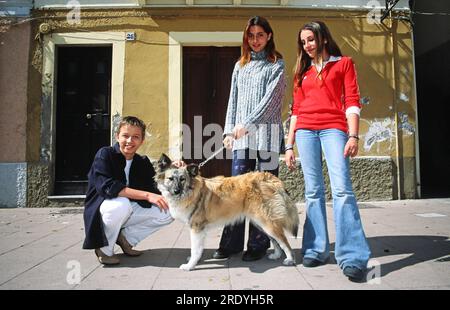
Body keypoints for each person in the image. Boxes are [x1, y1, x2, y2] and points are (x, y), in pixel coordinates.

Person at [284, 21, 371, 281]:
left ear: (322, 38)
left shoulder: (343, 63)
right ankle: (315, 249)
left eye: (311, 39)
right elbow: (296, 111)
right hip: (305, 132)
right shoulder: (302, 71)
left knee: (342, 189)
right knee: (312, 191)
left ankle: (353, 256)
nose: (307, 45)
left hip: (334, 128)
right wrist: (289, 145)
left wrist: (352, 135)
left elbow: (353, 101)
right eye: (303, 42)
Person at [212, 16, 286, 262]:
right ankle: (231, 243)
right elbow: (232, 100)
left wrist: (247, 125)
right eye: (251, 36)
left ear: (269, 36)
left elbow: (272, 101)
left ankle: (258, 244)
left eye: (260, 35)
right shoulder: (239, 65)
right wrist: (228, 131)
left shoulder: (277, 64)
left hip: (268, 137)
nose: (255, 40)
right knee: (236, 192)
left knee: (263, 193)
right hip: (241, 139)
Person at [82, 116, 183, 265]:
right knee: (121, 204)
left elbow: (155, 187)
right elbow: (108, 187)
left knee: (170, 210)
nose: (130, 141)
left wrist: (173, 170)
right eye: (125, 136)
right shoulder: (105, 154)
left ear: (141, 141)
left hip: (129, 207)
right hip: (104, 207)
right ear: (117, 136)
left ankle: (125, 239)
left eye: (135, 137)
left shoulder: (141, 162)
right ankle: (104, 249)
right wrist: (148, 195)